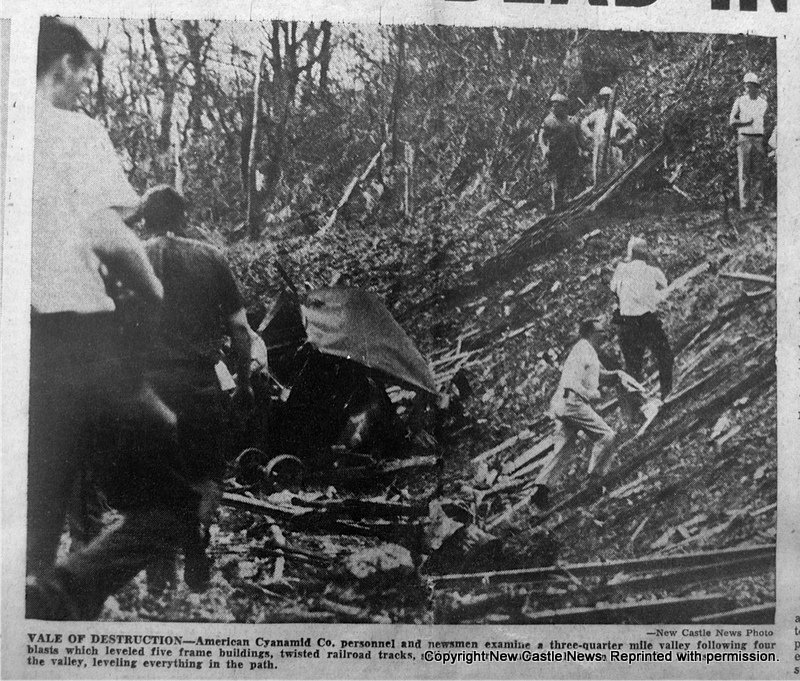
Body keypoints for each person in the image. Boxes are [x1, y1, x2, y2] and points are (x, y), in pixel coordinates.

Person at [26, 18, 170, 618]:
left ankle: (30, 599)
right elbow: (104, 230)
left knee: (39, 492)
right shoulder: (72, 130)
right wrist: (156, 290)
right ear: (62, 64)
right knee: (175, 484)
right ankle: (64, 596)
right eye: (86, 68)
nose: (88, 81)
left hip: (23, 338)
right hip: (79, 335)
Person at [532, 319, 622, 509]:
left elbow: (599, 376)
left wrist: (618, 375)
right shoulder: (582, 349)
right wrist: (592, 394)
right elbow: (570, 381)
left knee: (565, 447)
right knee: (607, 436)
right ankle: (594, 480)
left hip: (569, 402)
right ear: (590, 333)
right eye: (601, 331)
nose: (605, 335)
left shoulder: (588, 351)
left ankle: (541, 490)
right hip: (572, 401)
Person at [610, 236, 673, 401]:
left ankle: (636, 405)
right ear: (646, 254)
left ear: (630, 253)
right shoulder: (652, 271)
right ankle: (666, 394)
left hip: (626, 323)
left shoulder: (621, 268)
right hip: (646, 321)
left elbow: (613, 289)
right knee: (664, 356)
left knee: (633, 367)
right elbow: (665, 284)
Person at [581, 86, 637, 186]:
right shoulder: (597, 114)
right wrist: (591, 135)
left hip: (613, 149)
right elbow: (583, 124)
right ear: (600, 100)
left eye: (608, 98)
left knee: (614, 176)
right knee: (598, 176)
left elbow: (632, 129)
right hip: (599, 148)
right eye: (603, 98)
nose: (606, 101)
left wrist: (621, 142)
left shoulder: (618, 115)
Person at [729, 72, 768, 211]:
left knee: (758, 172)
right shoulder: (740, 101)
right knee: (744, 172)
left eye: (752, 86)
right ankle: (744, 204)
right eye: (747, 86)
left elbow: (765, 121)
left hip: (758, 138)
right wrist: (745, 122)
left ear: (757, 87)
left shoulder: (763, 103)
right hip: (744, 138)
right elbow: (732, 121)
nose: (749, 89)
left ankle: (758, 204)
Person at [538, 93, 582, 212]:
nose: (554, 108)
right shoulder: (548, 121)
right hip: (556, 156)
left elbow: (580, 139)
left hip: (571, 156)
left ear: (565, 107)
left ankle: (572, 204)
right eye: (553, 106)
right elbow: (541, 137)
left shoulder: (573, 122)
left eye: (557, 106)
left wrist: (584, 150)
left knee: (572, 181)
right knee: (557, 183)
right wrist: (544, 149)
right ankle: (557, 207)